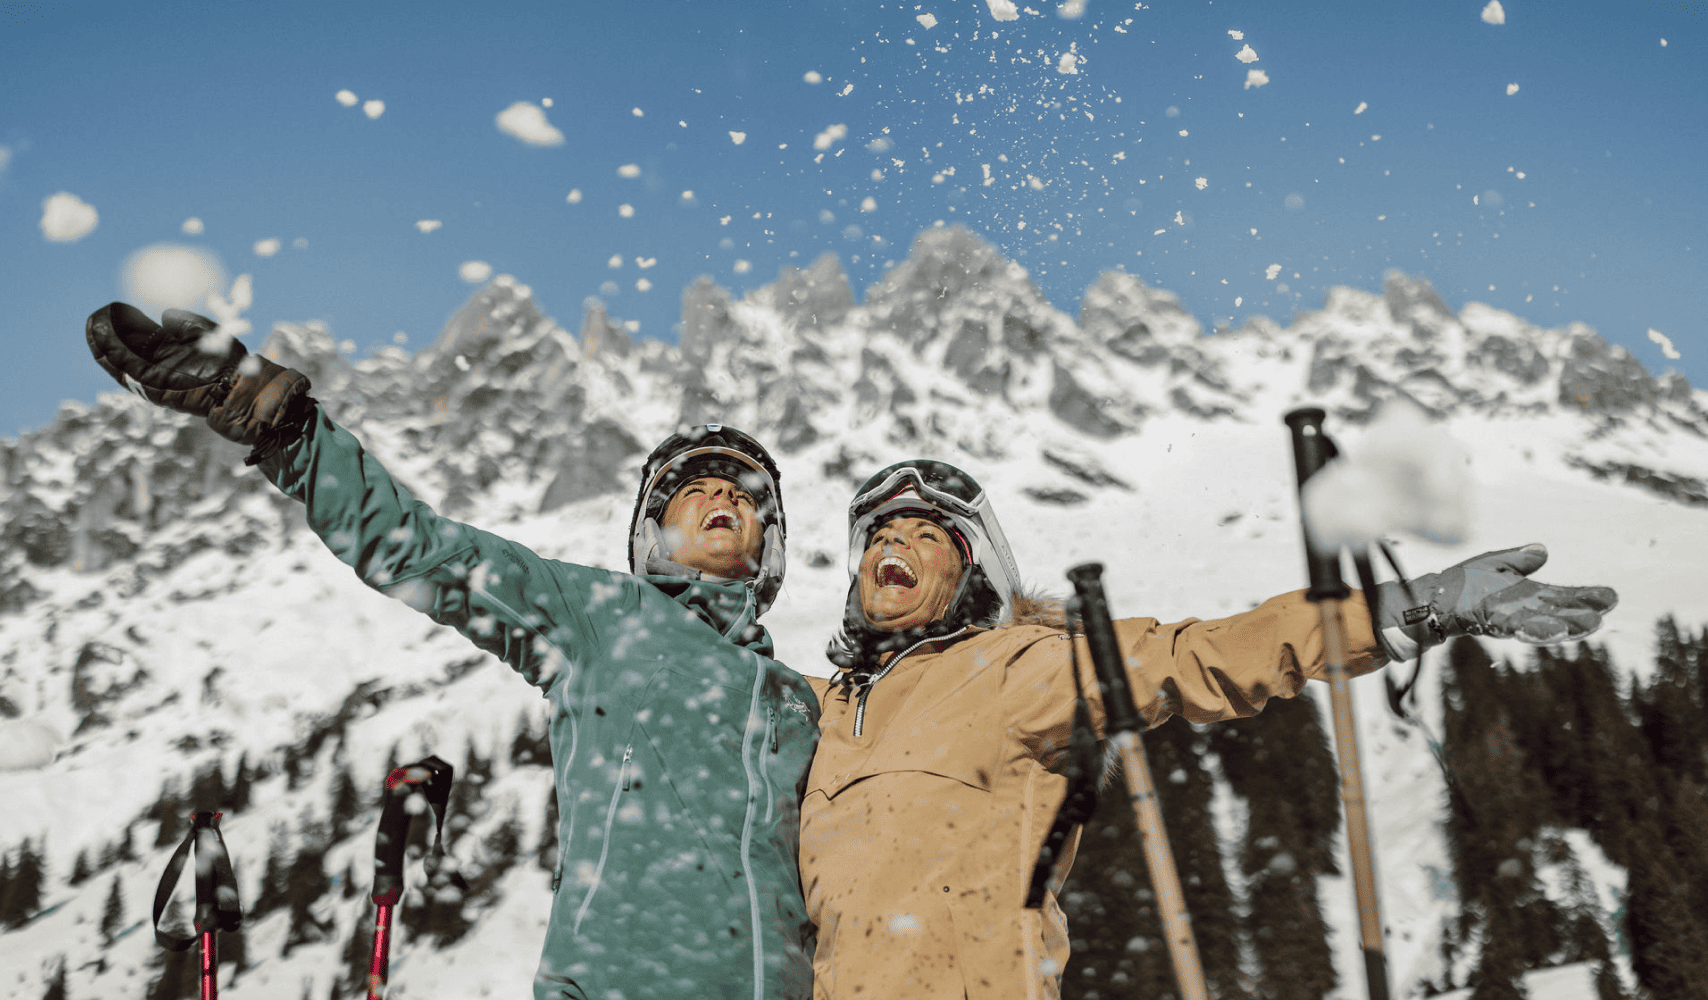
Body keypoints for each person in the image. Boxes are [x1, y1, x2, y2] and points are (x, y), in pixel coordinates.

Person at [85, 303, 820, 1000]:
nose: (723, 492)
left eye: (746, 491)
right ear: (652, 537)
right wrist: (284, 424)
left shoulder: (808, 699)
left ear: (770, 542)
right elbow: (421, 552)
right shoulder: (601, 620)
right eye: (692, 488)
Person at [797, 459, 1617, 1000]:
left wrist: (1424, 602)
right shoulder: (818, 710)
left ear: (969, 574)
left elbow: (1200, 657)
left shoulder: (1019, 669)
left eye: (927, 535)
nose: (894, 545)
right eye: (881, 535)